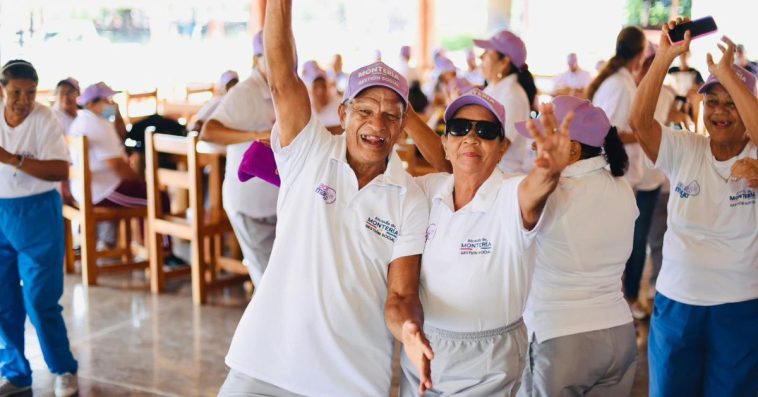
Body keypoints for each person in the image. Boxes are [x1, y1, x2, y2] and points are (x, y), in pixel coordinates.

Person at [219, 1, 431, 395]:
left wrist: (410, 331)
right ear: (344, 113)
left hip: (349, 380)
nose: (376, 124)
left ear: (403, 128)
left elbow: (401, 295)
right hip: (263, 362)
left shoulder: (410, 199)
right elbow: (283, 78)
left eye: (390, 116)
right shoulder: (310, 151)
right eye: (365, 110)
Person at [399, 88, 574, 395]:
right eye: (459, 128)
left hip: (488, 361)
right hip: (423, 347)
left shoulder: (511, 192)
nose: (471, 137)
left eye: (487, 130)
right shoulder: (428, 189)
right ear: (445, 142)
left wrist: (550, 170)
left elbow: (535, 190)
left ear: (502, 147)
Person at [631, 19, 758, 396]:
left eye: (733, 103)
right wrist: (664, 57)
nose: (720, 111)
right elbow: (640, 123)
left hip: (739, 306)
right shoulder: (685, 148)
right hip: (677, 304)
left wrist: (728, 74)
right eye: (712, 101)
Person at [516, 96, 639, 396]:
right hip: (619, 336)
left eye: (543, 138)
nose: (534, 145)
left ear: (571, 149)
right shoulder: (622, 187)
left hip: (562, 340)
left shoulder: (551, 194)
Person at [0, 59, 79, 397]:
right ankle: (16, 374)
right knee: (3, 299)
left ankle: (63, 369)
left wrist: (10, 157)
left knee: (40, 299)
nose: (23, 100)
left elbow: (60, 169)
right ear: (2, 90)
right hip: (1, 212)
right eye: (16, 92)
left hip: (37, 214)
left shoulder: (44, 118)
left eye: (30, 93)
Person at [68, 82, 183, 264]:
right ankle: (163, 254)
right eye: (107, 100)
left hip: (89, 188)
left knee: (145, 193)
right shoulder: (97, 125)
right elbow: (118, 167)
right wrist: (138, 181)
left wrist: (117, 116)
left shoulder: (86, 120)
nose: (112, 104)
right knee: (156, 197)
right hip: (104, 189)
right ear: (92, 103)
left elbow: (121, 138)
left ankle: (149, 246)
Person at [201, 31, 278, 286]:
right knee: (270, 285)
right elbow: (209, 132)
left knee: (282, 283)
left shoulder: (284, 89)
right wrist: (257, 134)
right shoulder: (245, 93)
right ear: (258, 60)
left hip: (278, 205)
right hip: (251, 206)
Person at [587, 26, 647, 190]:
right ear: (641, 54)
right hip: (616, 177)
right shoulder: (620, 85)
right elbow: (610, 134)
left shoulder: (620, 81)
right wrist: (644, 134)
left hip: (619, 176)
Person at [475, 29, 537, 174]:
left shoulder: (512, 95)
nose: (481, 57)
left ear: (504, 62)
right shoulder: (494, 87)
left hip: (502, 177)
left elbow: (498, 149)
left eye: (488, 53)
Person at [301, 60, 341, 133]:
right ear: (310, 90)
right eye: (316, 87)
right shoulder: (305, 109)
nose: (320, 91)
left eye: (323, 86)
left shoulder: (338, 106)